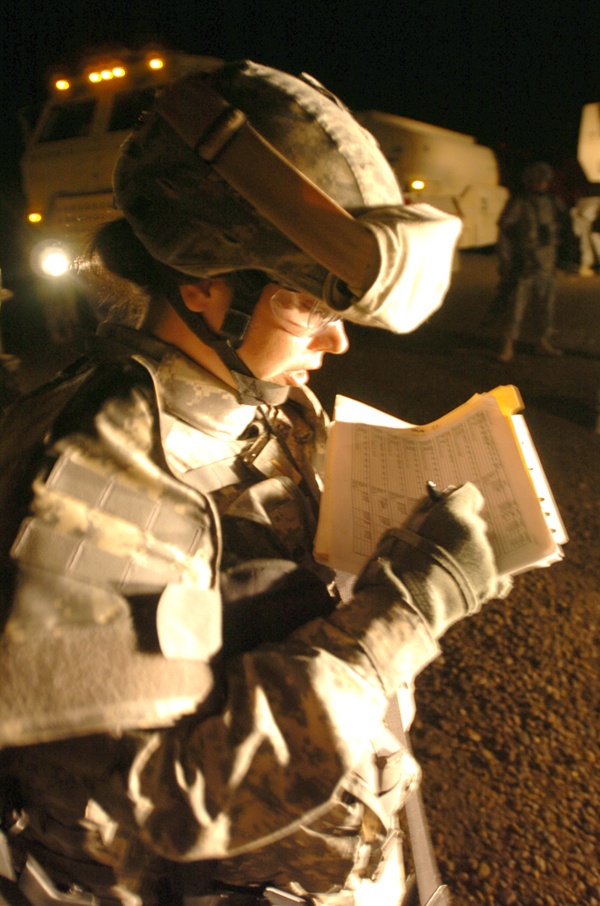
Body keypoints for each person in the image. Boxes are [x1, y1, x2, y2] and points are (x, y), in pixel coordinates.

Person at [0, 60, 511, 906]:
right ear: (203, 285)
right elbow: (141, 807)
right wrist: (400, 619)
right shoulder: (102, 472)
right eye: (307, 305)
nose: (336, 342)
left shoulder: (265, 409)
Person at [495, 161, 565, 363]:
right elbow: (505, 231)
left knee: (545, 306)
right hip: (524, 262)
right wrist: (506, 261)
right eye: (537, 180)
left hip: (547, 263)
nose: (541, 184)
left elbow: (564, 228)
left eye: (544, 180)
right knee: (516, 306)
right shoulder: (519, 202)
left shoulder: (553, 202)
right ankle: (508, 344)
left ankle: (542, 341)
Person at [570, 194, 600, 276]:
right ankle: (585, 265)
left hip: (587, 220)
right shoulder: (592, 202)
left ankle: (586, 265)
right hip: (587, 222)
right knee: (587, 243)